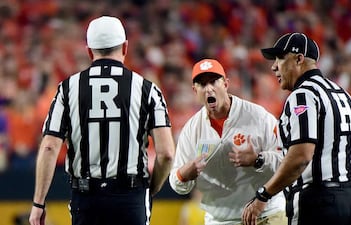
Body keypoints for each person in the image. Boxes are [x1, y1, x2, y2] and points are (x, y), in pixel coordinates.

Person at [29, 16, 175, 225]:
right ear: (125, 47)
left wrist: (38, 203)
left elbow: (50, 147)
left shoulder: (68, 89)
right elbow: (167, 154)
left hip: (87, 198)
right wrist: (152, 188)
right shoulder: (147, 89)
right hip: (131, 195)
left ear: (90, 51)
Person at [241, 32, 351, 225]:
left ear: (299, 59)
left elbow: (301, 156)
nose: (274, 66)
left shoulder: (303, 95)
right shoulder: (342, 93)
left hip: (319, 202)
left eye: (281, 58)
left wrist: (263, 195)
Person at [169, 58, 286, 225]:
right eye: (202, 84)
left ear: (225, 84)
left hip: (266, 214)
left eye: (213, 81)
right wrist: (184, 174)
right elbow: (176, 182)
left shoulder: (259, 116)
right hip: (221, 220)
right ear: (195, 90)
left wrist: (259, 160)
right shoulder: (192, 130)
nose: (209, 89)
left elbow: (286, 161)